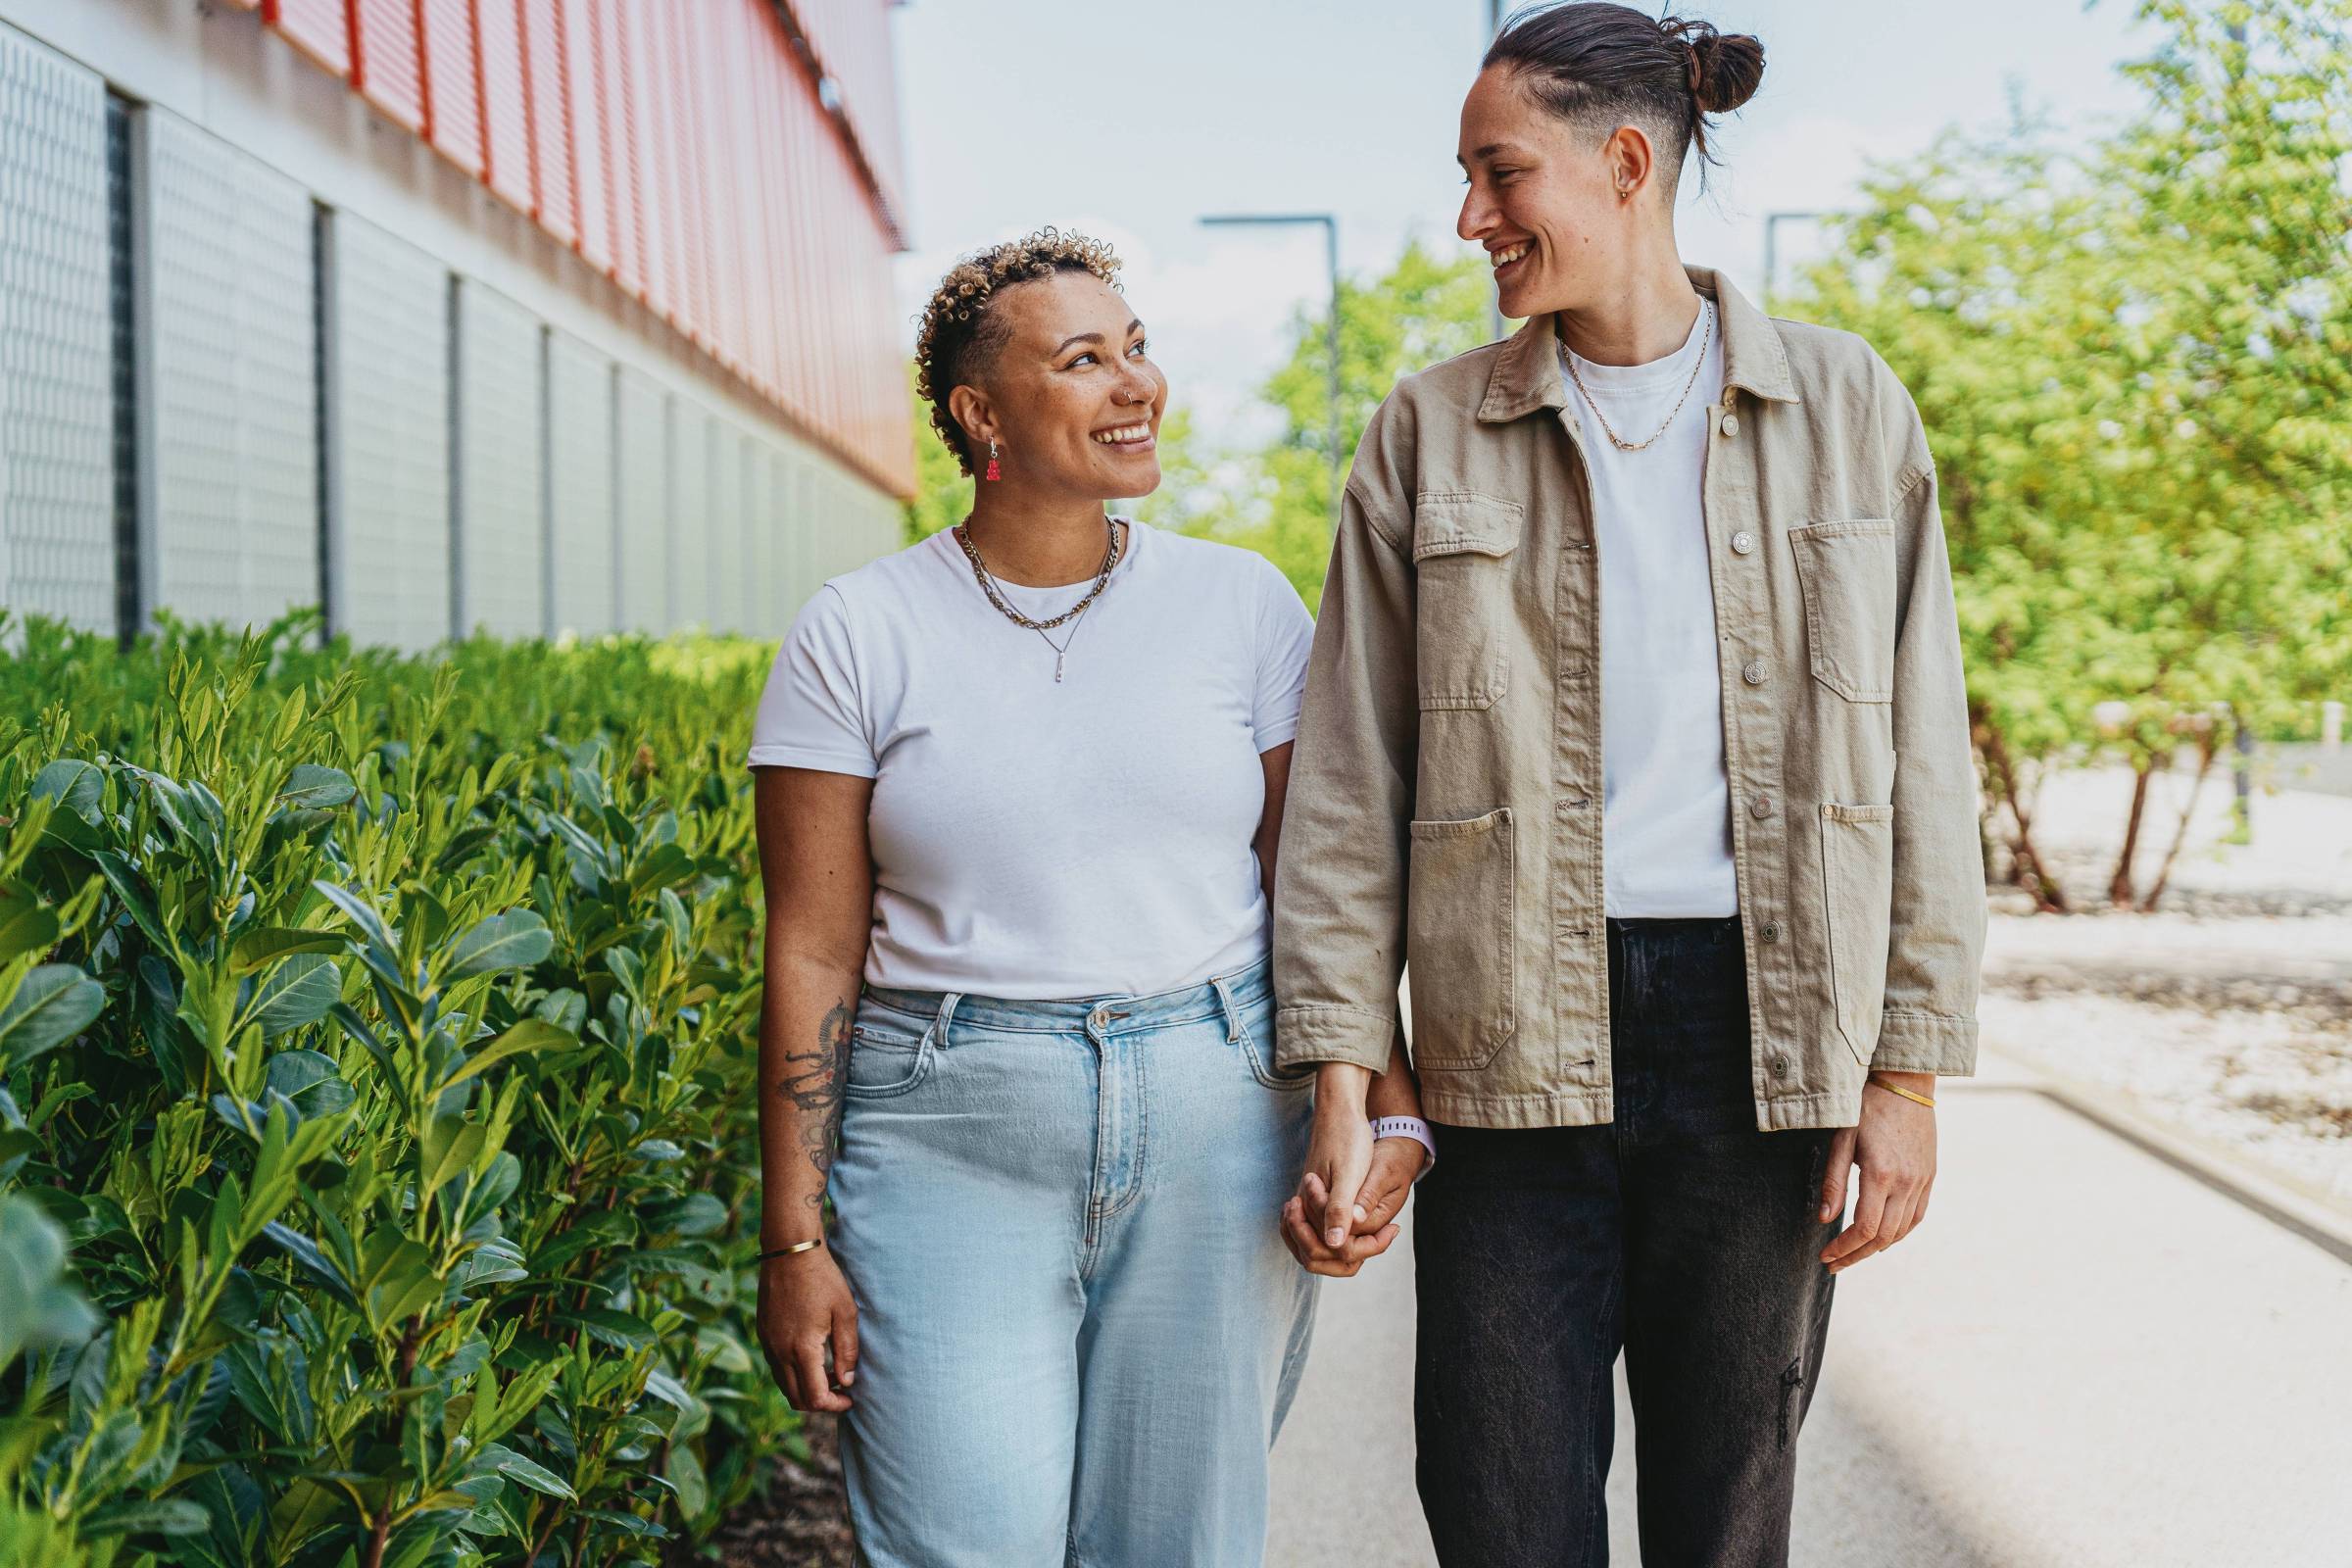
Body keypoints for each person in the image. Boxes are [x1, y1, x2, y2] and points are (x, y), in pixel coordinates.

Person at [1271, 7, 1986, 1564]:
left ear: (1628, 160)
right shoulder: (1426, 434)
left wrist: (1908, 1071)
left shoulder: (1850, 411)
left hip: (1764, 1034)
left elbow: (1926, 752)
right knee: (1499, 1505)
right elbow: (1347, 779)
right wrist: (1343, 1063)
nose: (1471, 219)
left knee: (1726, 1518)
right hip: (1503, 1031)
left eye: (1497, 173)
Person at [744, 227, 1431, 1566]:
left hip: (1218, 1114)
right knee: (962, 1541)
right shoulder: (859, 630)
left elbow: (1316, 895)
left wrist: (1384, 1096)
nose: (1137, 384)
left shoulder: (1242, 606)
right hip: (947, 1129)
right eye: (1084, 360)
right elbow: (813, 949)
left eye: (1138, 347)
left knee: (1176, 1545)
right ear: (980, 413)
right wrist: (791, 1239)